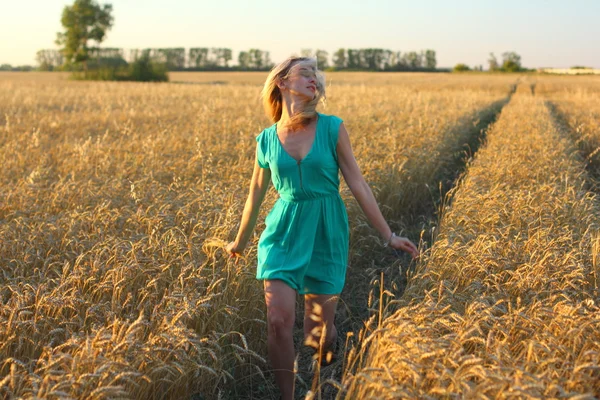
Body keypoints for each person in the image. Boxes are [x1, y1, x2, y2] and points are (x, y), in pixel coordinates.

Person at [226, 56, 419, 399]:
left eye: (315, 74)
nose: (313, 79)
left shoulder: (332, 128)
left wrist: (388, 235)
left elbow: (358, 184)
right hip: (282, 234)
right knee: (278, 322)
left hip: (326, 231)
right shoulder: (266, 140)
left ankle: (329, 349)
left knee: (318, 337)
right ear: (282, 82)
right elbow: (254, 196)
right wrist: (238, 243)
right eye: (304, 73)